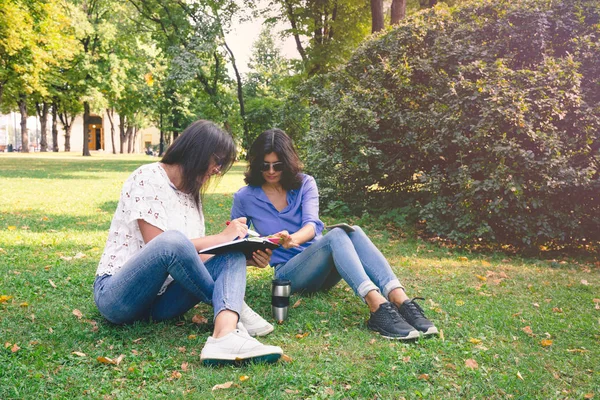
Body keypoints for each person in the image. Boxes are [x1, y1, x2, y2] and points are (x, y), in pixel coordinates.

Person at [94, 120, 283, 365]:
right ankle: (236, 309)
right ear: (198, 150)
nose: (217, 170)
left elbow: (191, 260)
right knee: (172, 240)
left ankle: (225, 333)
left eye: (222, 165)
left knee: (232, 255)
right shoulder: (147, 177)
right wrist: (220, 238)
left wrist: (244, 256)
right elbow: (161, 246)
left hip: (161, 305)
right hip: (119, 296)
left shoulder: (192, 196)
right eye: (218, 161)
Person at [231, 129, 438, 340]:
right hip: (289, 275)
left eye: (278, 165)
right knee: (338, 234)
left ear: (288, 162)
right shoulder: (245, 197)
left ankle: (399, 298)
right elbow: (236, 241)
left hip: (327, 270)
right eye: (265, 165)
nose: (271, 171)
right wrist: (254, 255)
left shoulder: (305, 183)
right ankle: (377, 306)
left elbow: (312, 224)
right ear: (257, 164)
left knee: (353, 231)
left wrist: (294, 239)